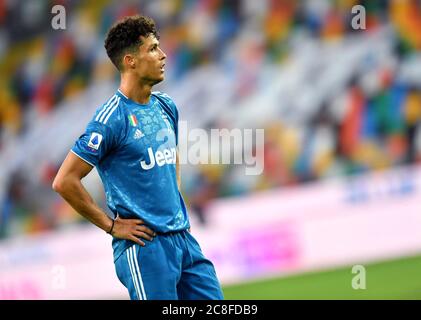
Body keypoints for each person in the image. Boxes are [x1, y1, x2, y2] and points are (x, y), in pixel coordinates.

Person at [52, 15, 223, 300]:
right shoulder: (111, 119)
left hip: (183, 240)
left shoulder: (166, 106)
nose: (163, 55)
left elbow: (171, 157)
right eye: (153, 48)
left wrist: (177, 210)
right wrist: (111, 225)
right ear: (130, 61)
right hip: (145, 248)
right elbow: (64, 180)